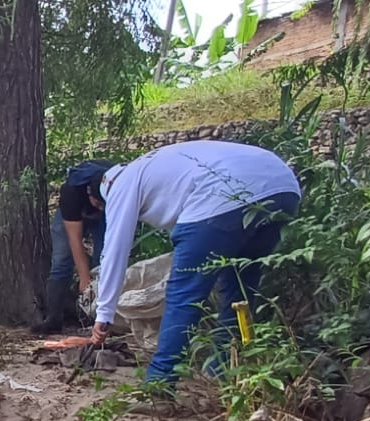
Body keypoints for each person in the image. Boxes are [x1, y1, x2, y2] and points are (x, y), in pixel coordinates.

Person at [85, 140, 301, 394]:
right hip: (282, 187)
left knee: (183, 295)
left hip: (222, 196)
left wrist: (104, 313)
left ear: (98, 195)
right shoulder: (157, 164)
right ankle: (231, 375)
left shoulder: (121, 183)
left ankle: (159, 388)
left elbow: (114, 251)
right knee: (239, 291)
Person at [33, 160, 113, 335]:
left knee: (105, 260)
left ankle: (100, 321)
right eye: (98, 204)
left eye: (103, 204)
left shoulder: (117, 191)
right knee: (61, 259)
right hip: (72, 214)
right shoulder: (71, 192)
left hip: (110, 215)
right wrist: (84, 279)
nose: (101, 208)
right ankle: (53, 318)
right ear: (89, 193)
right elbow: (74, 240)